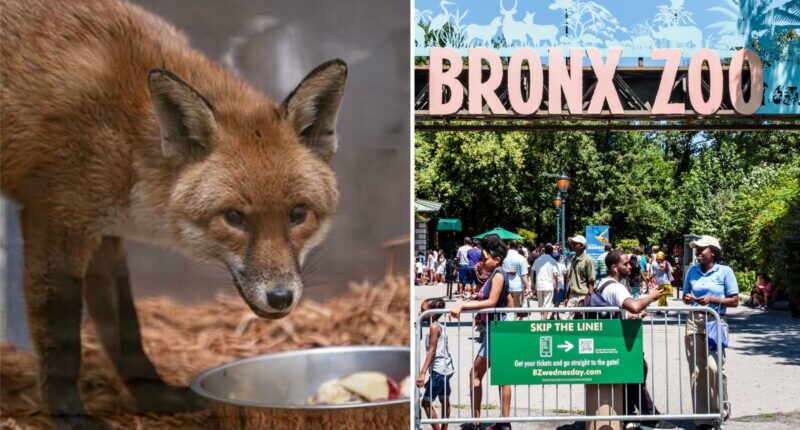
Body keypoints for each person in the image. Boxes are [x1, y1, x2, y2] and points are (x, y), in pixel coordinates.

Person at [591, 251, 675, 430]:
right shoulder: (616, 287)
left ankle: (630, 414)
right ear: (614, 267)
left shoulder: (605, 283)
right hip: (620, 342)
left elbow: (614, 312)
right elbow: (635, 306)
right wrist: (652, 296)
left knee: (632, 376)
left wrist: (628, 316)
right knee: (638, 373)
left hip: (613, 339)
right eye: (626, 263)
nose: (630, 266)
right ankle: (651, 418)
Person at [449, 234, 512, 430]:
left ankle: (478, 423)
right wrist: (484, 315)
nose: (482, 262)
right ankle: (504, 423)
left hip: (496, 331)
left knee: (475, 374)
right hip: (496, 329)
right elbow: (508, 300)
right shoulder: (498, 274)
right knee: (502, 376)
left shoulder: (499, 274)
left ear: (497, 259)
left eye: (485, 259)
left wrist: (464, 306)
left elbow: (493, 301)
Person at [682, 236, 738, 430]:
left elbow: (735, 300)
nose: (697, 253)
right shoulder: (692, 271)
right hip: (694, 321)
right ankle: (702, 418)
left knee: (714, 368)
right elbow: (685, 296)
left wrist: (713, 301)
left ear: (712, 251)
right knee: (697, 371)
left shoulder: (725, 271)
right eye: (696, 250)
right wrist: (688, 298)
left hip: (715, 320)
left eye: (701, 250)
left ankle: (720, 411)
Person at [417, 298, 454, 430]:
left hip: (439, 369)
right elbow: (418, 337)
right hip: (446, 368)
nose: (420, 312)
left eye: (423, 311)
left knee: (426, 402)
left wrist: (422, 373)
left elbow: (432, 351)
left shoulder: (434, 327)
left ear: (432, 314)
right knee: (444, 400)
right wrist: (419, 322)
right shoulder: (440, 326)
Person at [564, 235, 595, 319]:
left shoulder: (588, 260)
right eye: (572, 243)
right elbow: (571, 279)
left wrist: (589, 298)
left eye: (575, 244)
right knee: (567, 323)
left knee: (581, 323)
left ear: (582, 246)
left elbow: (591, 280)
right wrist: (567, 296)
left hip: (583, 296)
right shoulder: (574, 259)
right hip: (572, 296)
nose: (573, 245)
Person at [503, 241, 529, 319]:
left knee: (508, 308)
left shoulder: (504, 257)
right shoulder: (520, 258)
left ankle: (508, 323)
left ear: (509, 246)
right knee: (517, 308)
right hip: (517, 286)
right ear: (517, 247)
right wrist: (527, 287)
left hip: (506, 286)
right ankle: (515, 325)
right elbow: (524, 275)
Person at [532, 243, 559, 320]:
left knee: (540, 303)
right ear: (551, 252)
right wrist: (556, 285)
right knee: (547, 304)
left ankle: (542, 317)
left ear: (544, 251)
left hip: (539, 284)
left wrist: (533, 284)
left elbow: (532, 270)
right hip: (549, 285)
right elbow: (555, 274)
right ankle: (544, 319)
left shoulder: (537, 260)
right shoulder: (553, 261)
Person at [552, 251, 567, 319]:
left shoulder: (550, 265)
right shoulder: (562, 265)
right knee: (557, 302)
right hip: (560, 285)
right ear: (559, 258)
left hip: (551, 285)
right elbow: (566, 274)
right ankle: (553, 315)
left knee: (555, 301)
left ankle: (556, 315)